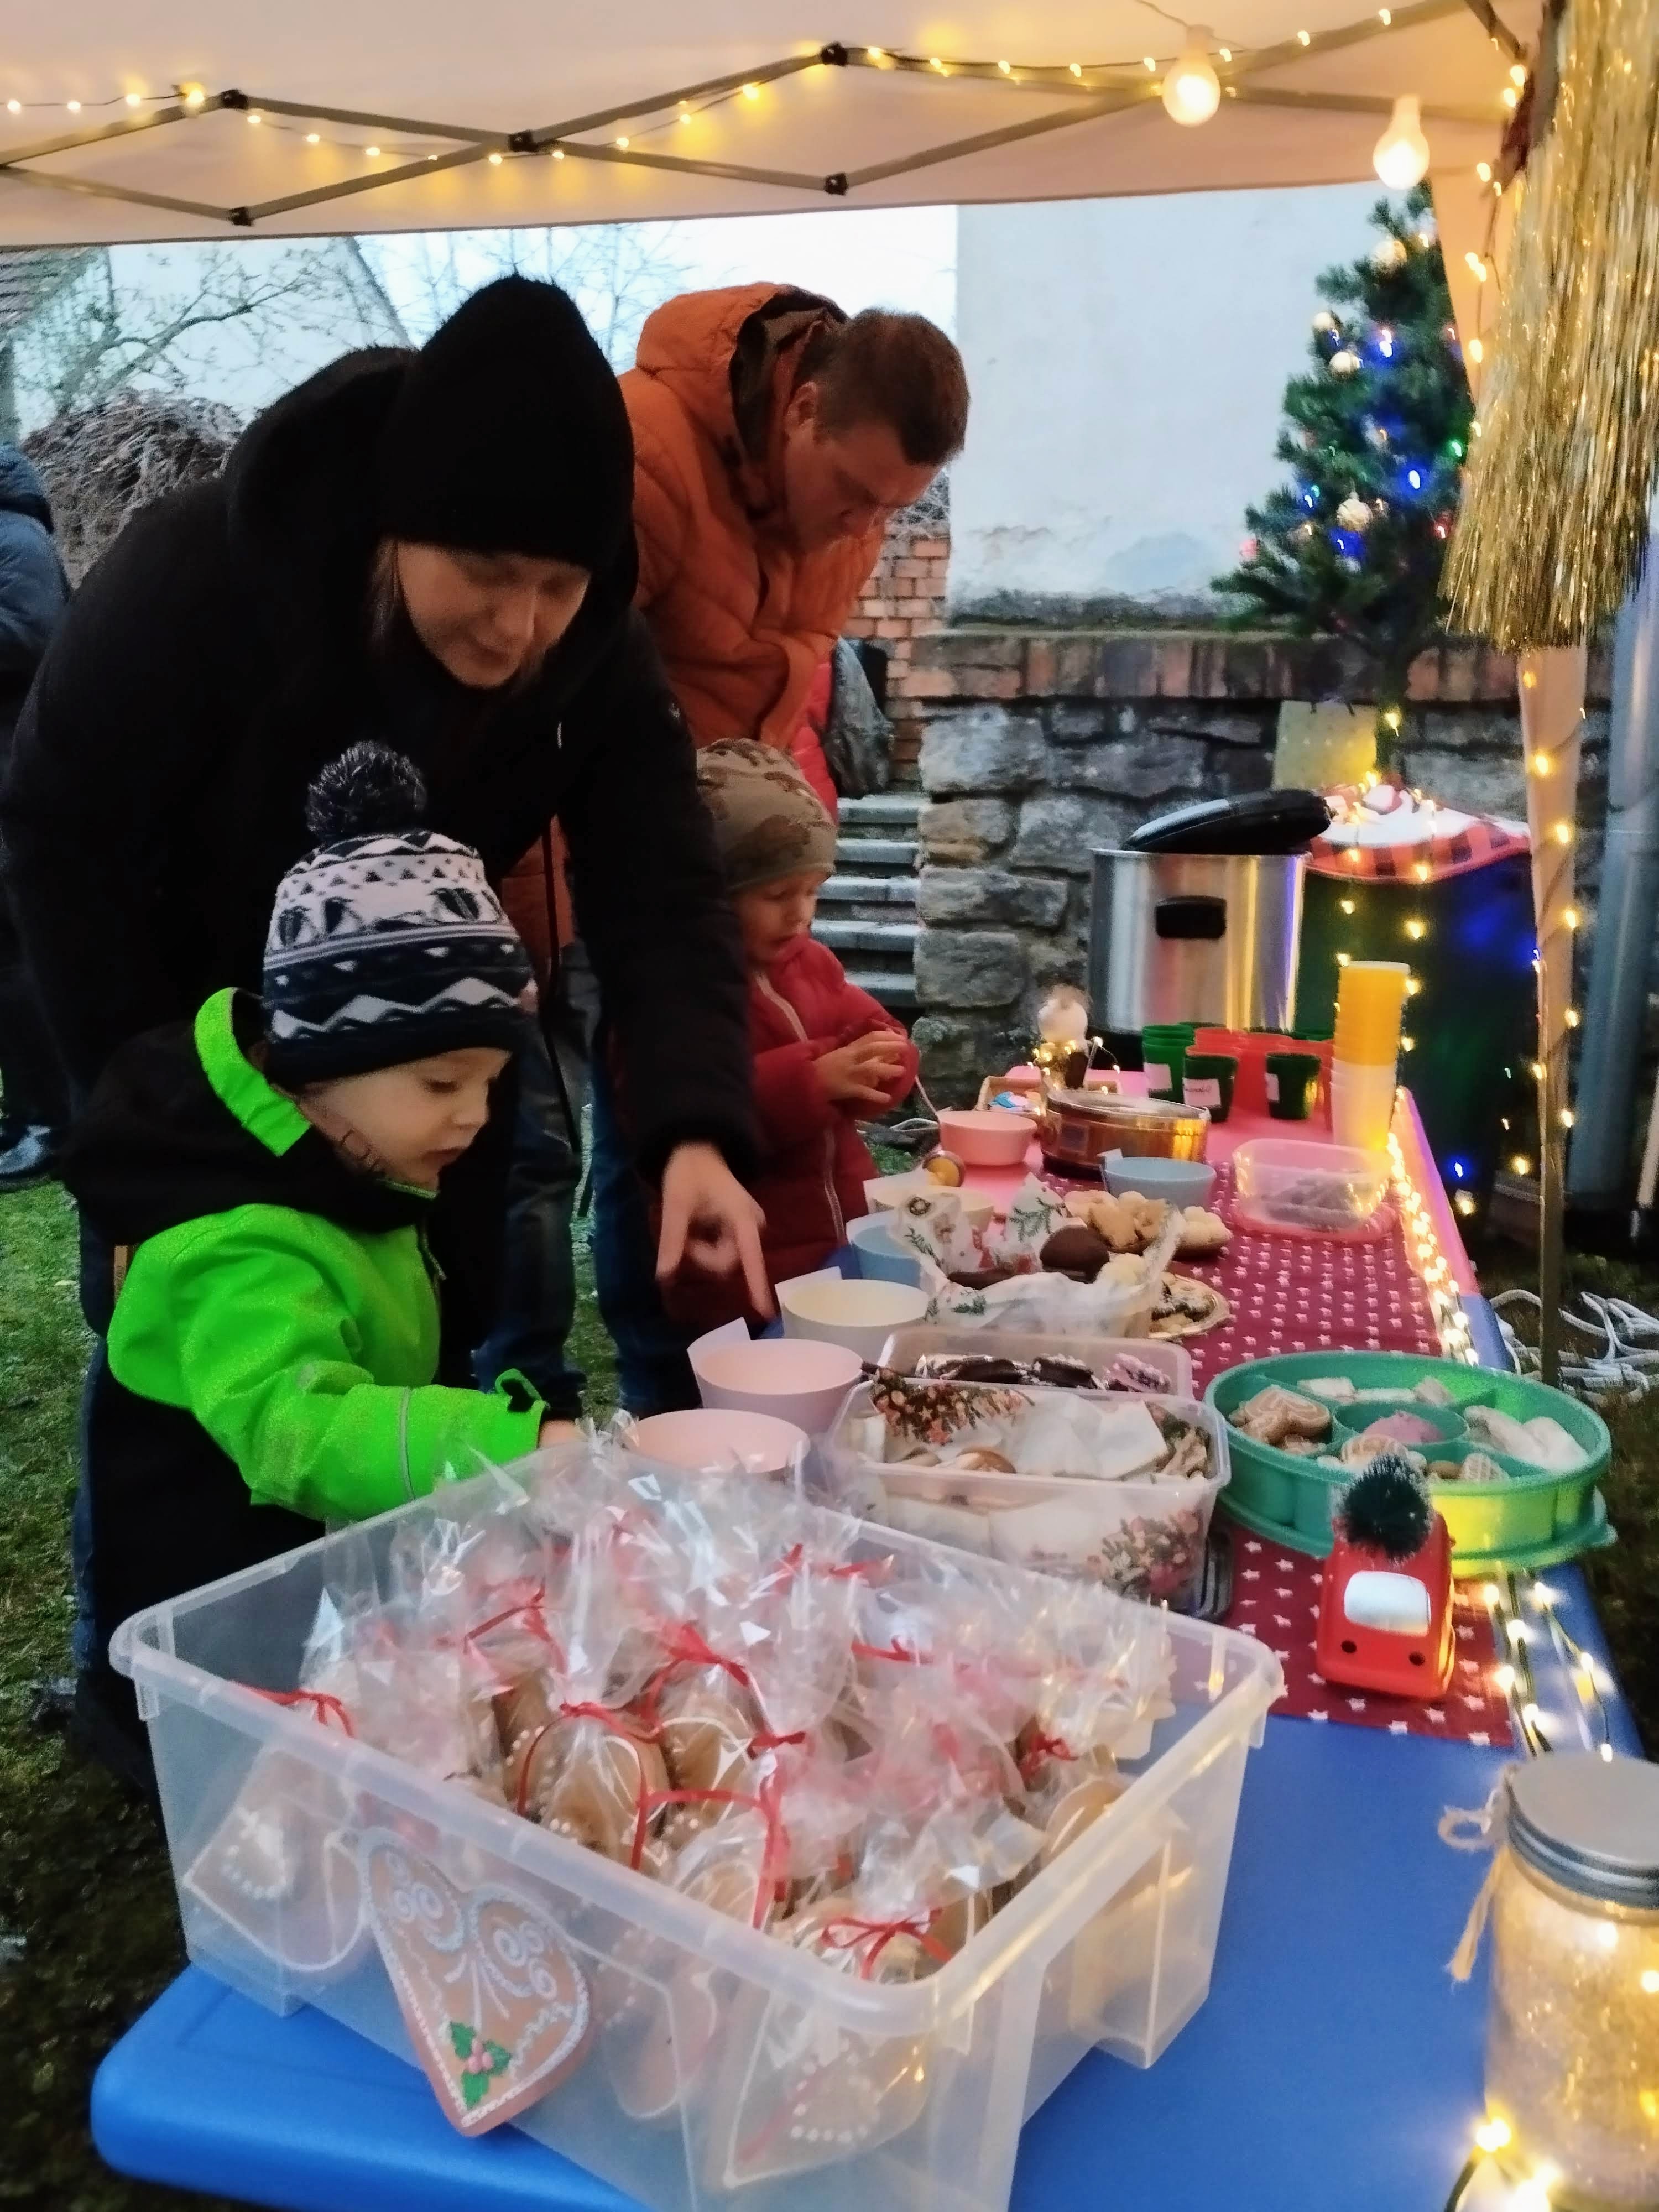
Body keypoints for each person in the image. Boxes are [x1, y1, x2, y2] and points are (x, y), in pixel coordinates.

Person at [0, 277, 765, 1721]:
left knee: (418, 1310)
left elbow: (662, 889)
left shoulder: (591, 650)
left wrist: (693, 1129)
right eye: (487, 571)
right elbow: (55, 834)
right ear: (398, 522)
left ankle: (382, 1646)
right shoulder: (202, 575)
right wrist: (136, 1140)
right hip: (185, 1031)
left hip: (423, 1034)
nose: (522, 626)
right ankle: (134, 1678)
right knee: (189, 1363)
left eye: (561, 585)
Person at [59, 745, 580, 1777]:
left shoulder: (355, 1163)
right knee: (257, 1780)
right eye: (442, 1085)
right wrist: (505, 1444)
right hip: (210, 1596)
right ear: (323, 1069)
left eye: (488, 1083)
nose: (475, 1118)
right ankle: (125, 1740)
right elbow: (297, 1430)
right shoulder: (234, 1241)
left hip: (311, 1563)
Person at [582, 288, 967, 1409]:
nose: (865, 526)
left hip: (733, 852)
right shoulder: (647, 459)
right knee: (626, 1157)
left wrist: (789, 831)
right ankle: (655, 1390)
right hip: (619, 874)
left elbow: (777, 677)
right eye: (855, 491)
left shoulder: (851, 513)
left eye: (893, 507)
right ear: (801, 409)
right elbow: (576, 693)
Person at [637, 740, 920, 1379]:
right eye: (777, 894)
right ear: (711, 893)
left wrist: (886, 1064)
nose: (801, 913)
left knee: (840, 1383)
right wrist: (815, 1078)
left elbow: (881, 1028)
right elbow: (679, 1106)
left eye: (813, 891)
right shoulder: (676, 993)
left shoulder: (811, 963)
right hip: (742, 1268)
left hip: (834, 1242)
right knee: (752, 1390)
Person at [0, 445, 71, 1190]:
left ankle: (49, 1124)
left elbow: (30, 632)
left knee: (18, 956)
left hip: (14, 773)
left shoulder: (15, 537)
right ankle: (25, 1113)